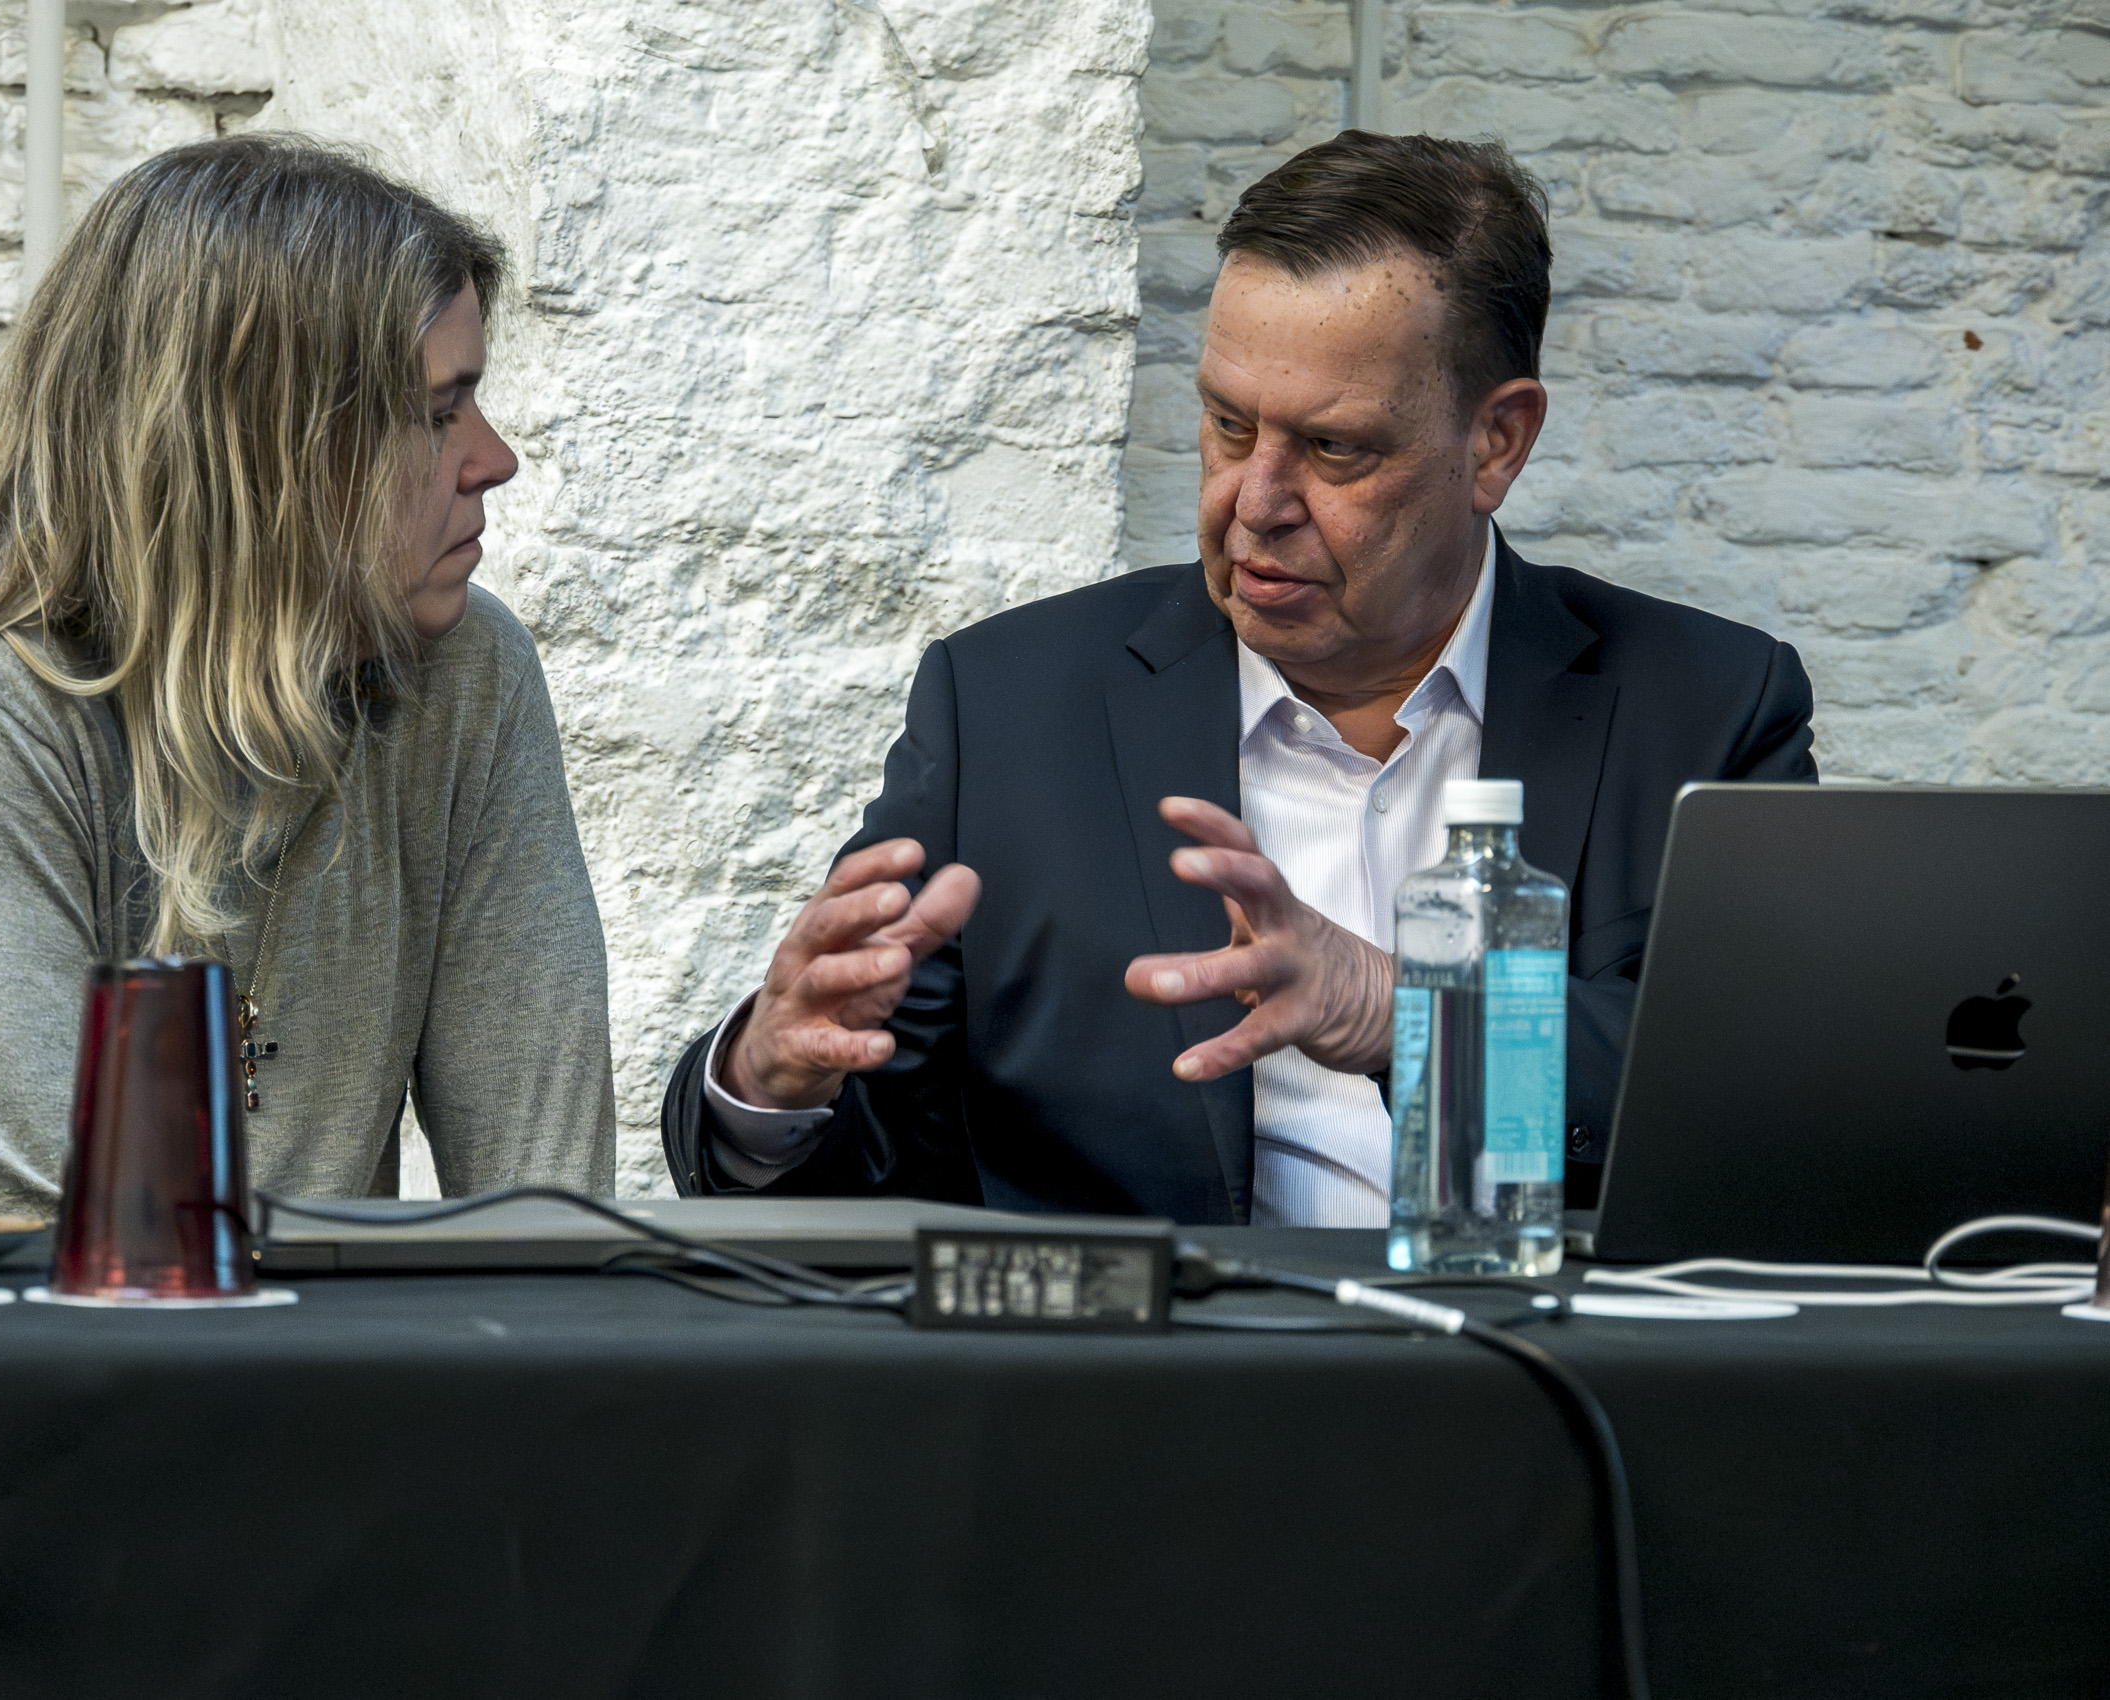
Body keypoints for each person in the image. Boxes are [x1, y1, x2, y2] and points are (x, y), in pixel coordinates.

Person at [660, 131, 1815, 1226]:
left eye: (1334, 447)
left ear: (1496, 442)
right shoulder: (1008, 708)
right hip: (1150, 1368)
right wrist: (769, 1080)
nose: (1253, 501)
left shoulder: (1707, 708)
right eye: (1226, 423)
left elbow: (1781, 1099)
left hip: (1546, 1360)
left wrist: (1410, 1012)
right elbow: (854, 1179)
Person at [0, 136, 615, 1215]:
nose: (494, 458)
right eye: (438, 414)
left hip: (286, 1328)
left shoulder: (464, 673)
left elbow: (547, 1212)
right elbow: (44, 1237)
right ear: (262, 450)